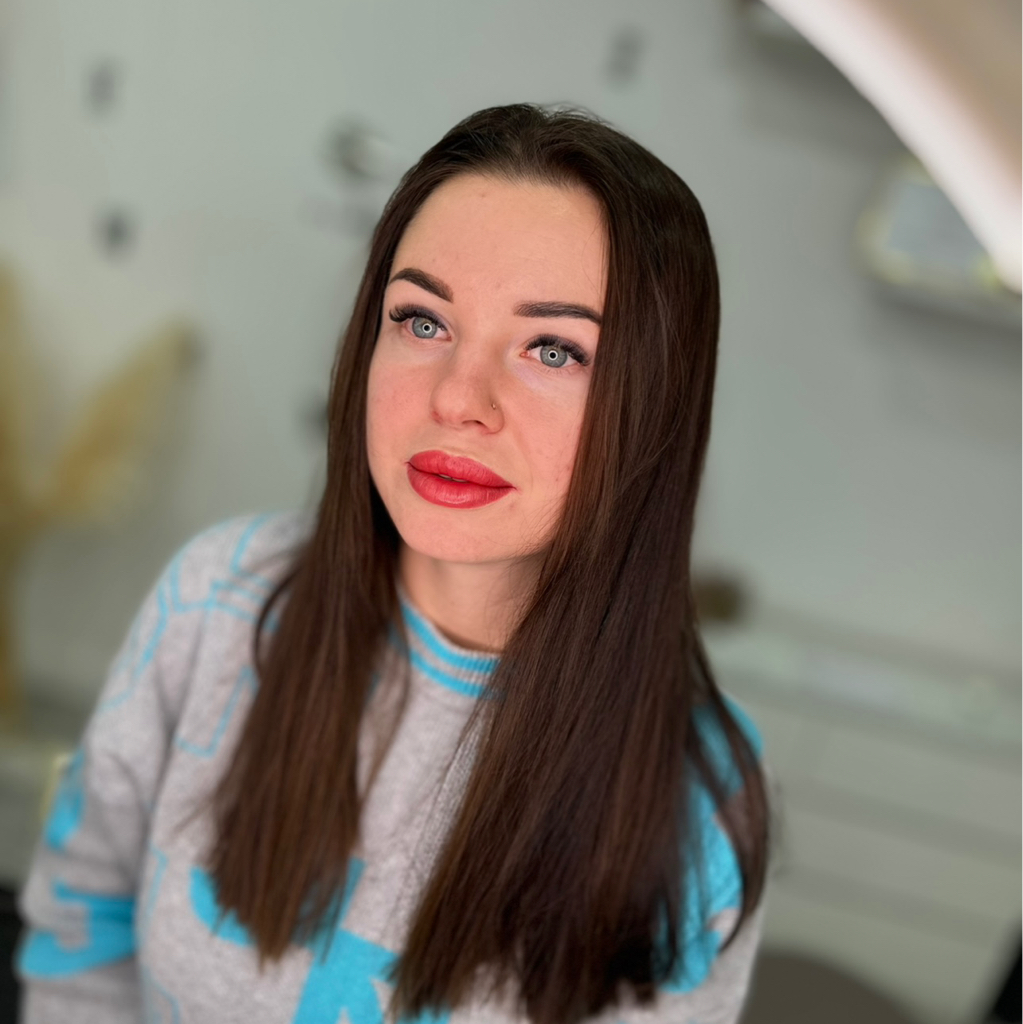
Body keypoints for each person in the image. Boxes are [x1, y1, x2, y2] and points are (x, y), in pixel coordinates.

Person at [14, 103, 770, 1024]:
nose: (458, 398)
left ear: (654, 405)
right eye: (421, 321)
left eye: (552, 349)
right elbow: (80, 934)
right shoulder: (218, 600)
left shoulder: (699, 799)